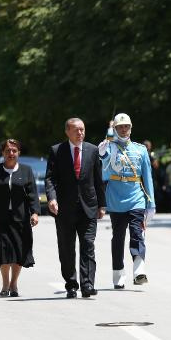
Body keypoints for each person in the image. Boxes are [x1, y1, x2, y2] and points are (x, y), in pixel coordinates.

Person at [45, 118, 106, 299]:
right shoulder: (57, 151)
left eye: (82, 130)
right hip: (64, 209)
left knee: (88, 245)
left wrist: (102, 205)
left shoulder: (93, 150)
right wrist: (52, 199)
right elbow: (50, 179)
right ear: (67, 132)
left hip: (88, 207)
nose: (80, 133)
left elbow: (98, 179)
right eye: (76, 130)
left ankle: (87, 285)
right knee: (67, 248)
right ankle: (71, 284)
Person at [98, 113, 156, 289]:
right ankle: (118, 272)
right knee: (118, 237)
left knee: (137, 233)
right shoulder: (110, 147)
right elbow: (104, 158)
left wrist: (151, 203)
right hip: (116, 198)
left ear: (131, 128)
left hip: (136, 197)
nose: (124, 130)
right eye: (120, 127)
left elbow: (147, 177)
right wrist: (104, 147)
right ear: (115, 129)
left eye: (126, 126)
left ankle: (139, 270)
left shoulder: (140, 149)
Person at [0, 139, 40, 297]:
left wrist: (34, 212)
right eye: (8, 151)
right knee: (4, 252)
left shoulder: (26, 171)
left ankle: (14, 284)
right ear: (3, 153)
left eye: (14, 150)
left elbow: (33, 194)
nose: (11, 153)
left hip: (20, 219)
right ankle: (5, 284)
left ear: (19, 153)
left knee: (19, 253)